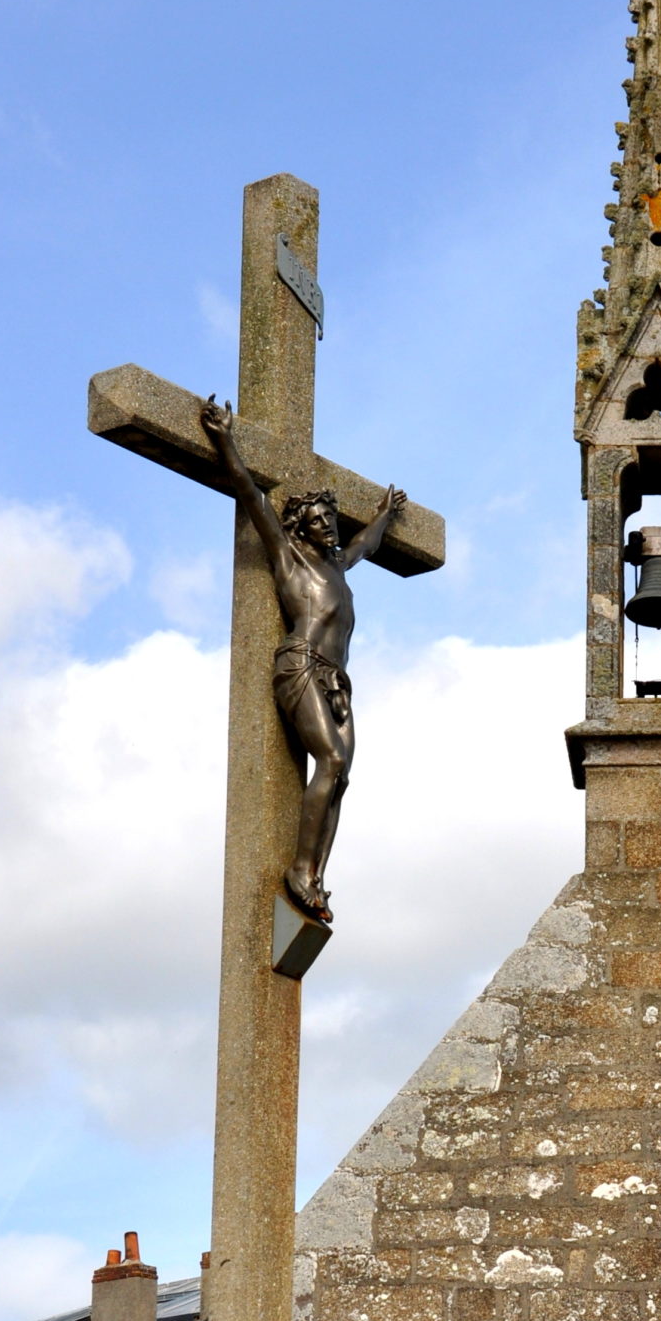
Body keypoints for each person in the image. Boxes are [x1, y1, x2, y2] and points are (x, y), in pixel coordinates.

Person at [201, 396, 401, 926]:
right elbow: (252, 496)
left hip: (337, 680)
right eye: (318, 520)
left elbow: (365, 545)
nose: (329, 527)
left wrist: (383, 516)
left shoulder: (338, 566)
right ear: (300, 527)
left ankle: (311, 875)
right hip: (302, 664)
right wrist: (225, 441)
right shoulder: (289, 561)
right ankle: (297, 870)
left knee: (342, 777)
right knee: (331, 763)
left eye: (331, 520)